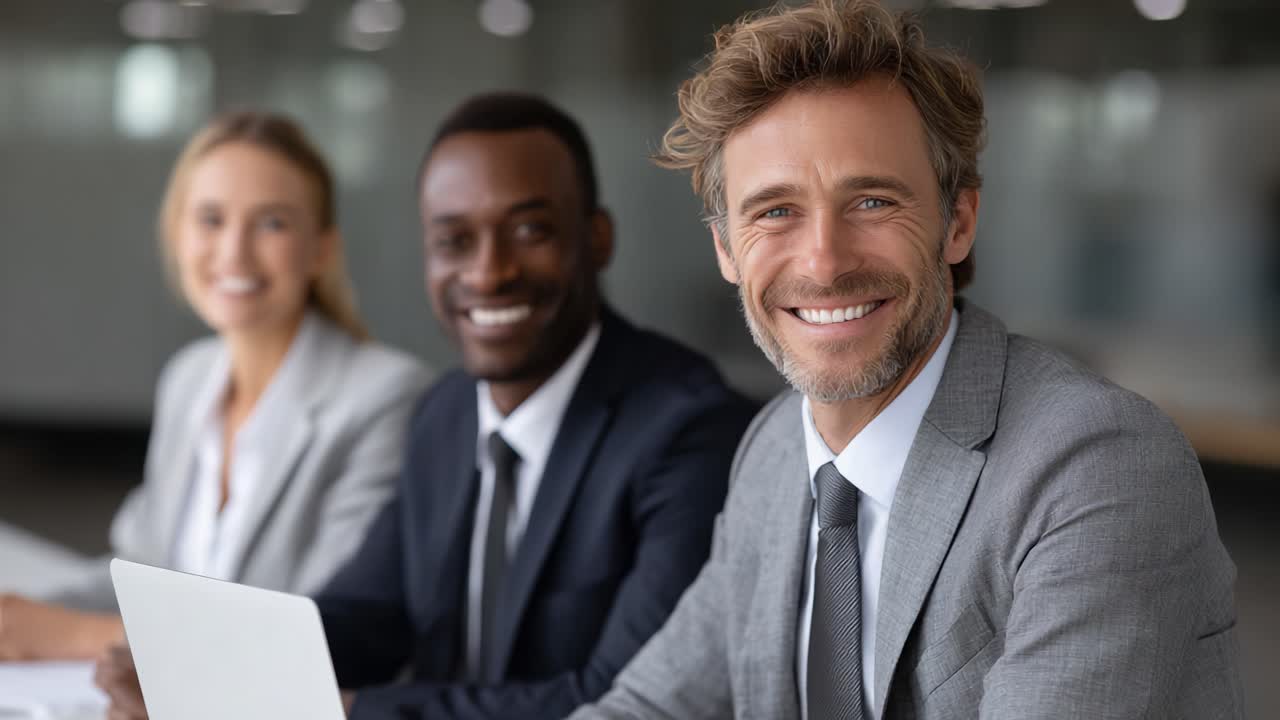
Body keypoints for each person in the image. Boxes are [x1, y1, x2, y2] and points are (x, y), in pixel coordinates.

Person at [572, 2, 1244, 718]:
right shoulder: (772, 453)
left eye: (870, 200)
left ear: (957, 223)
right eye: (774, 211)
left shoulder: (1096, 468)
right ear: (725, 250)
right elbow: (647, 705)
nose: (824, 262)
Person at [96, 93, 755, 719]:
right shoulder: (447, 412)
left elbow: (615, 700)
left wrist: (343, 712)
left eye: (529, 230)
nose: (489, 271)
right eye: (454, 240)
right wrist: (199, 669)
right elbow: (368, 613)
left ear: (598, 238)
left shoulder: (686, 430)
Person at [0, 112, 431, 662]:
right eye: (210, 219)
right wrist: (21, 618)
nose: (234, 252)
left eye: (272, 223)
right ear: (176, 235)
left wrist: (81, 636)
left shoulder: (385, 397)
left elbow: (318, 629)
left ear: (322, 249)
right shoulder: (190, 378)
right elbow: (141, 574)